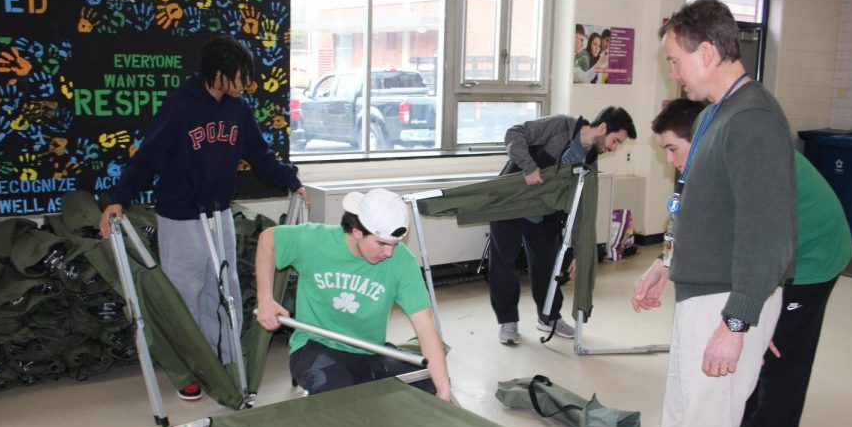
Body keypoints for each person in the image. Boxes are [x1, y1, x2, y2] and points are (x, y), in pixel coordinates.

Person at [631, 0, 796, 427]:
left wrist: (741, 319)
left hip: (723, 303)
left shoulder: (754, 120)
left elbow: (768, 232)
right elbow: (704, 208)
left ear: (706, 52)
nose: (673, 73)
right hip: (702, 294)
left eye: (675, 60)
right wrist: (667, 262)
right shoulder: (713, 117)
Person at [648, 98, 852, 427]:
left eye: (673, 148)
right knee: (751, 352)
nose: (670, 160)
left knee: (777, 357)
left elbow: (767, 244)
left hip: (811, 257)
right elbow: (680, 212)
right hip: (776, 253)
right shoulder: (699, 162)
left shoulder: (743, 158)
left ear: (699, 140)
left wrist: (754, 312)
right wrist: (662, 260)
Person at [99, 35, 308, 401]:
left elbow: (260, 157)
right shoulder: (180, 105)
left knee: (224, 291)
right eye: (240, 77)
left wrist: (292, 180)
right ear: (218, 74)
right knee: (186, 296)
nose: (246, 84)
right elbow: (146, 158)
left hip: (219, 212)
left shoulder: (239, 109)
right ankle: (191, 369)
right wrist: (118, 199)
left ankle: (227, 362)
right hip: (181, 216)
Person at [254, 188, 452, 402]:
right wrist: (265, 299)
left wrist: (443, 389)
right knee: (341, 394)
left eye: (394, 245)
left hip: (370, 350)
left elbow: (425, 327)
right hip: (317, 346)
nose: (389, 253)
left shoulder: (401, 261)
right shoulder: (316, 240)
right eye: (382, 243)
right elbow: (268, 239)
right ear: (357, 231)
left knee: (430, 383)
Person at [492, 107, 636, 345]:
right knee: (503, 263)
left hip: (543, 213)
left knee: (548, 265)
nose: (614, 148)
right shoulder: (560, 126)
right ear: (602, 128)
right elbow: (514, 133)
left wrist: (580, 252)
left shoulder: (589, 159)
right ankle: (507, 322)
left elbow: (581, 206)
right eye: (615, 140)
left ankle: (549, 316)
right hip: (510, 202)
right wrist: (528, 166)